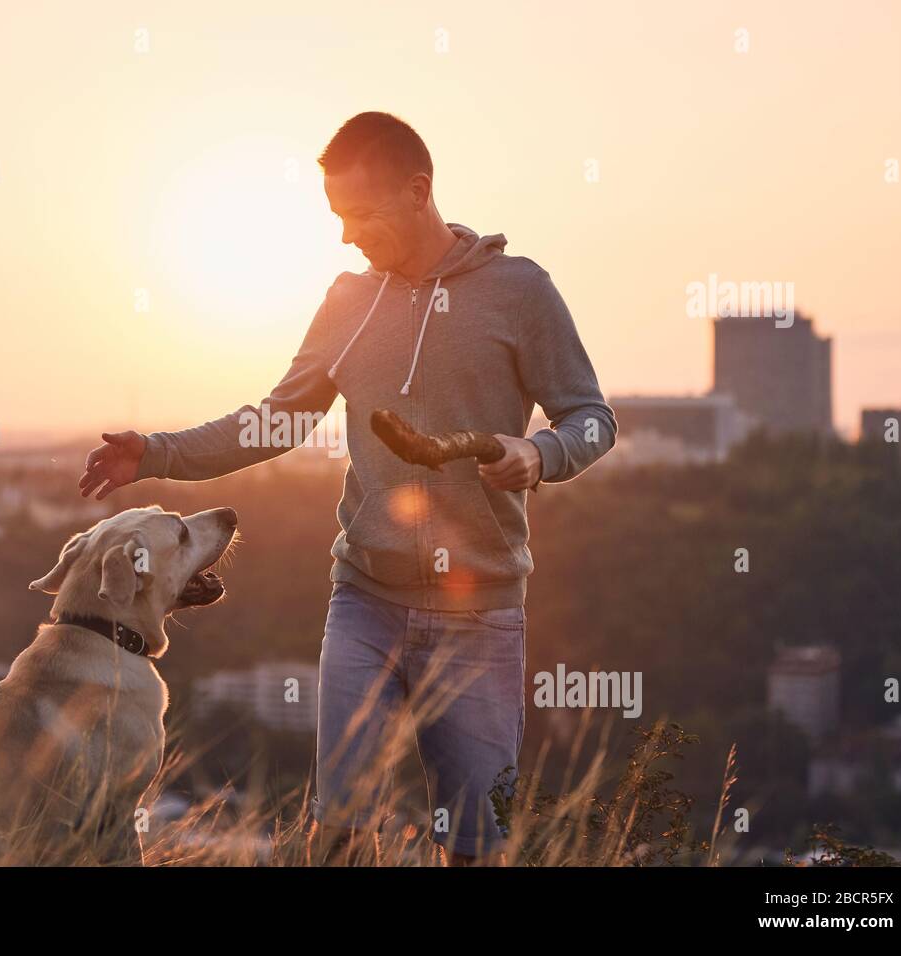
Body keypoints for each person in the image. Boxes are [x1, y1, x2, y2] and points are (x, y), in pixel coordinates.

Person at [79, 111, 617, 865]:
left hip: (480, 615)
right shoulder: (346, 301)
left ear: (419, 190)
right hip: (364, 601)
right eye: (336, 216)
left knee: (476, 844)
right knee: (340, 835)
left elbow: (594, 419)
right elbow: (273, 422)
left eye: (359, 214)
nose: (345, 235)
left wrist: (543, 453)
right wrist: (157, 452)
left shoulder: (519, 291)